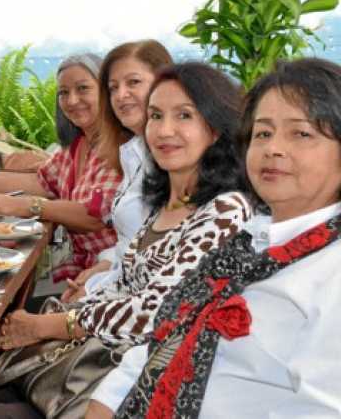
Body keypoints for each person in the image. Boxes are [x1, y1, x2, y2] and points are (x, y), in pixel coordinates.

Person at [0, 63, 252, 419]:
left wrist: (53, 325)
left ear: (216, 129)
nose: (164, 130)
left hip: (141, 383)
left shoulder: (225, 211)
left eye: (184, 116)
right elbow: (129, 283)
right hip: (100, 356)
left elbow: (155, 312)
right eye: (156, 115)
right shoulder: (164, 202)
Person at [87, 58, 341, 419]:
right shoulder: (246, 244)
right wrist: (103, 405)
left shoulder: (329, 271)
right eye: (263, 133)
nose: (273, 149)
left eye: (301, 133)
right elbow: (166, 333)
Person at [0, 53, 125, 282]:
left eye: (83, 88)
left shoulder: (120, 146)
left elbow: (93, 216)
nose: (72, 100)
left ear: (106, 92)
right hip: (84, 270)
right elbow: (40, 181)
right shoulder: (78, 146)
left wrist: (27, 206)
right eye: (63, 93)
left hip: (114, 272)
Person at [66, 40, 173, 299]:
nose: (120, 95)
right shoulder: (133, 153)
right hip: (114, 290)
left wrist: (71, 320)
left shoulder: (175, 160)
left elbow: (162, 274)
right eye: (113, 88)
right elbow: (132, 242)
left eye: (133, 82)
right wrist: (104, 265)